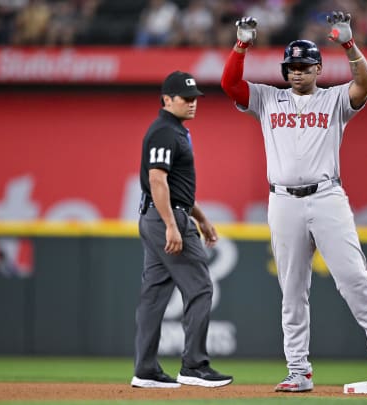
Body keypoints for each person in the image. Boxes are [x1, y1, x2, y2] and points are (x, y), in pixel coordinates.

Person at [220, 12, 367, 392]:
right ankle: (298, 370)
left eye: (304, 66)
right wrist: (240, 46)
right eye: (291, 67)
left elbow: (365, 83)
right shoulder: (268, 98)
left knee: (354, 277)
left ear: (318, 68)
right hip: (283, 201)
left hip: (327, 197)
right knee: (292, 290)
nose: (297, 73)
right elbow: (229, 83)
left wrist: (350, 45)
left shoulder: (335, 98)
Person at [131, 71, 233, 389]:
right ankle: (194, 366)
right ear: (167, 100)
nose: (192, 103)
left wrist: (200, 218)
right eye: (185, 98)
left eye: (194, 98)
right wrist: (173, 227)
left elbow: (177, 188)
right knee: (200, 287)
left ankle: (145, 369)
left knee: (155, 294)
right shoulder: (165, 132)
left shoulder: (173, 130)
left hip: (160, 215)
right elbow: (158, 181)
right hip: (165, 218)